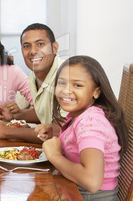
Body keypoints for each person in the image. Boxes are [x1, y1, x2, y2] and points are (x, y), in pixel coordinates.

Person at [36, 56, 127, 200]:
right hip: (76, 190)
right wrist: (58, 136)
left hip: (89, 196)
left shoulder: (90, 123)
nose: (66, 90)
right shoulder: (81, 116)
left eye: (77, 85)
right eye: (61, 83)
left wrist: (54, 156)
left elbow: (91, 182)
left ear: (96, 92)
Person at [0, 23, 66, 142]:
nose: (33, 51)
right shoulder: (33, 77)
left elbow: (58, 131)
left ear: (54, 48)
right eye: (26, 46)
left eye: (40, 44)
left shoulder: (66, 77)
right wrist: (15, 115)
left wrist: (6, 131)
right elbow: (45, 112)